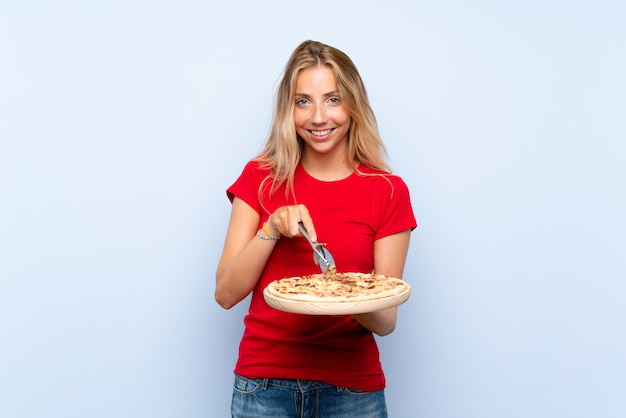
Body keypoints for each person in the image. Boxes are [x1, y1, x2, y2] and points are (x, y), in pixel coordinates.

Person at [215, 40, 417, 418]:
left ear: (354, 105)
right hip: (263, 386)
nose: (319, 117)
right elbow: (225, 294)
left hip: (352, 390)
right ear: (287, 110)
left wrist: (344, 289)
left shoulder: (388, 190)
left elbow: (386, 321)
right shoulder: (260, 178)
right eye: (303, 101)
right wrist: (271, 227)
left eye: (333, 99)